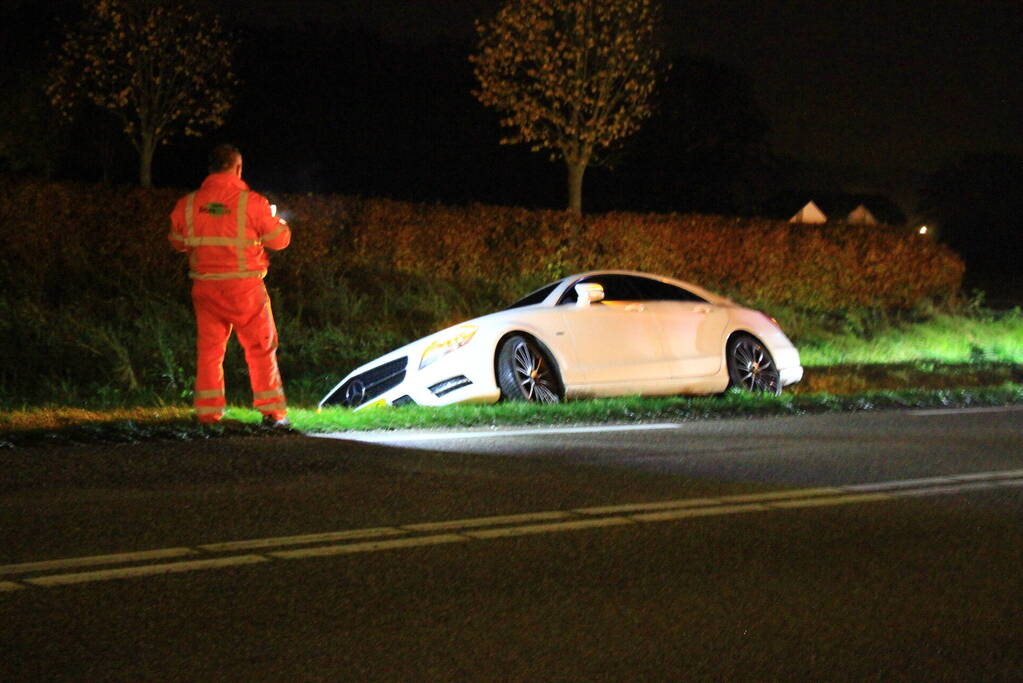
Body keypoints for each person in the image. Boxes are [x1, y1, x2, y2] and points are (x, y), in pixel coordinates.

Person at [169, 144, 291, 427]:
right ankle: (272, 413)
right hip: (245, 289)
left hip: (205, 289)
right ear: (238, 168)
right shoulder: (253, 203)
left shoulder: (188, 205)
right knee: (261, 348)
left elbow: (177, 241)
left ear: (210, 167)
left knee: (210, 352)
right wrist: (280, 221)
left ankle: (208, 414)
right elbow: (279, 241)